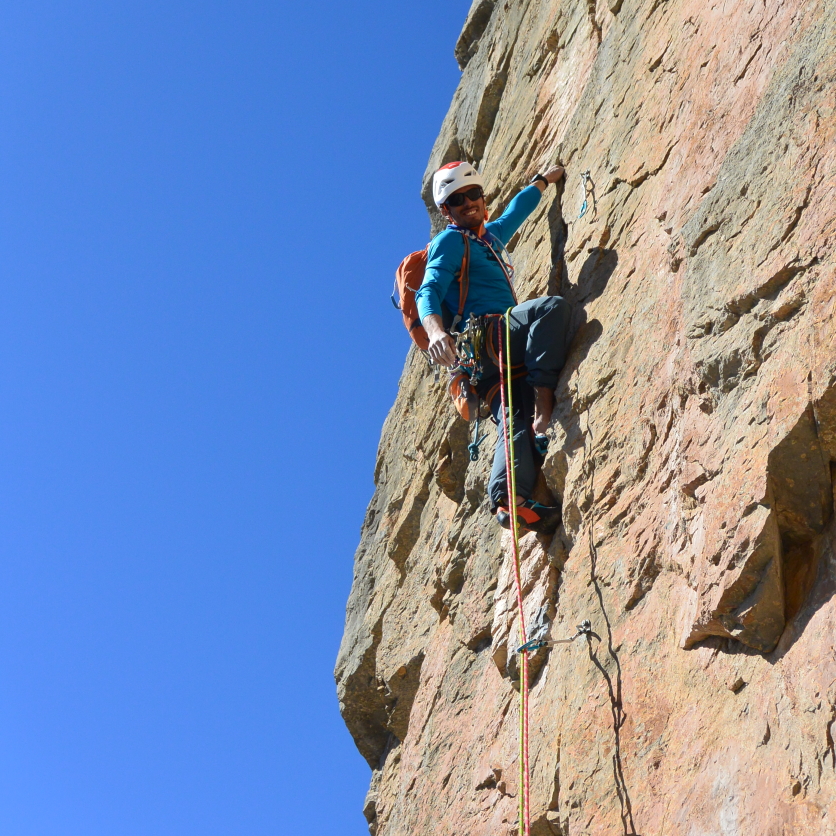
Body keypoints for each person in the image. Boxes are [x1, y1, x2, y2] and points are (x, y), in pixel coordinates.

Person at [416, 161, 571, 533]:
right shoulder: (451, 241)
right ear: (445, 210)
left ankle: (508, 500)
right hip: (491, 337)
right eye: (457, 199)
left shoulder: (487, 239)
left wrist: (543, 181)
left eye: (474, 194)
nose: (469, 202)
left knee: (512, 419)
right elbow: (428, 291)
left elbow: (516, 211)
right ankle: (545, 402)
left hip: (491, 361)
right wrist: (436, 332)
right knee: (551, 309)